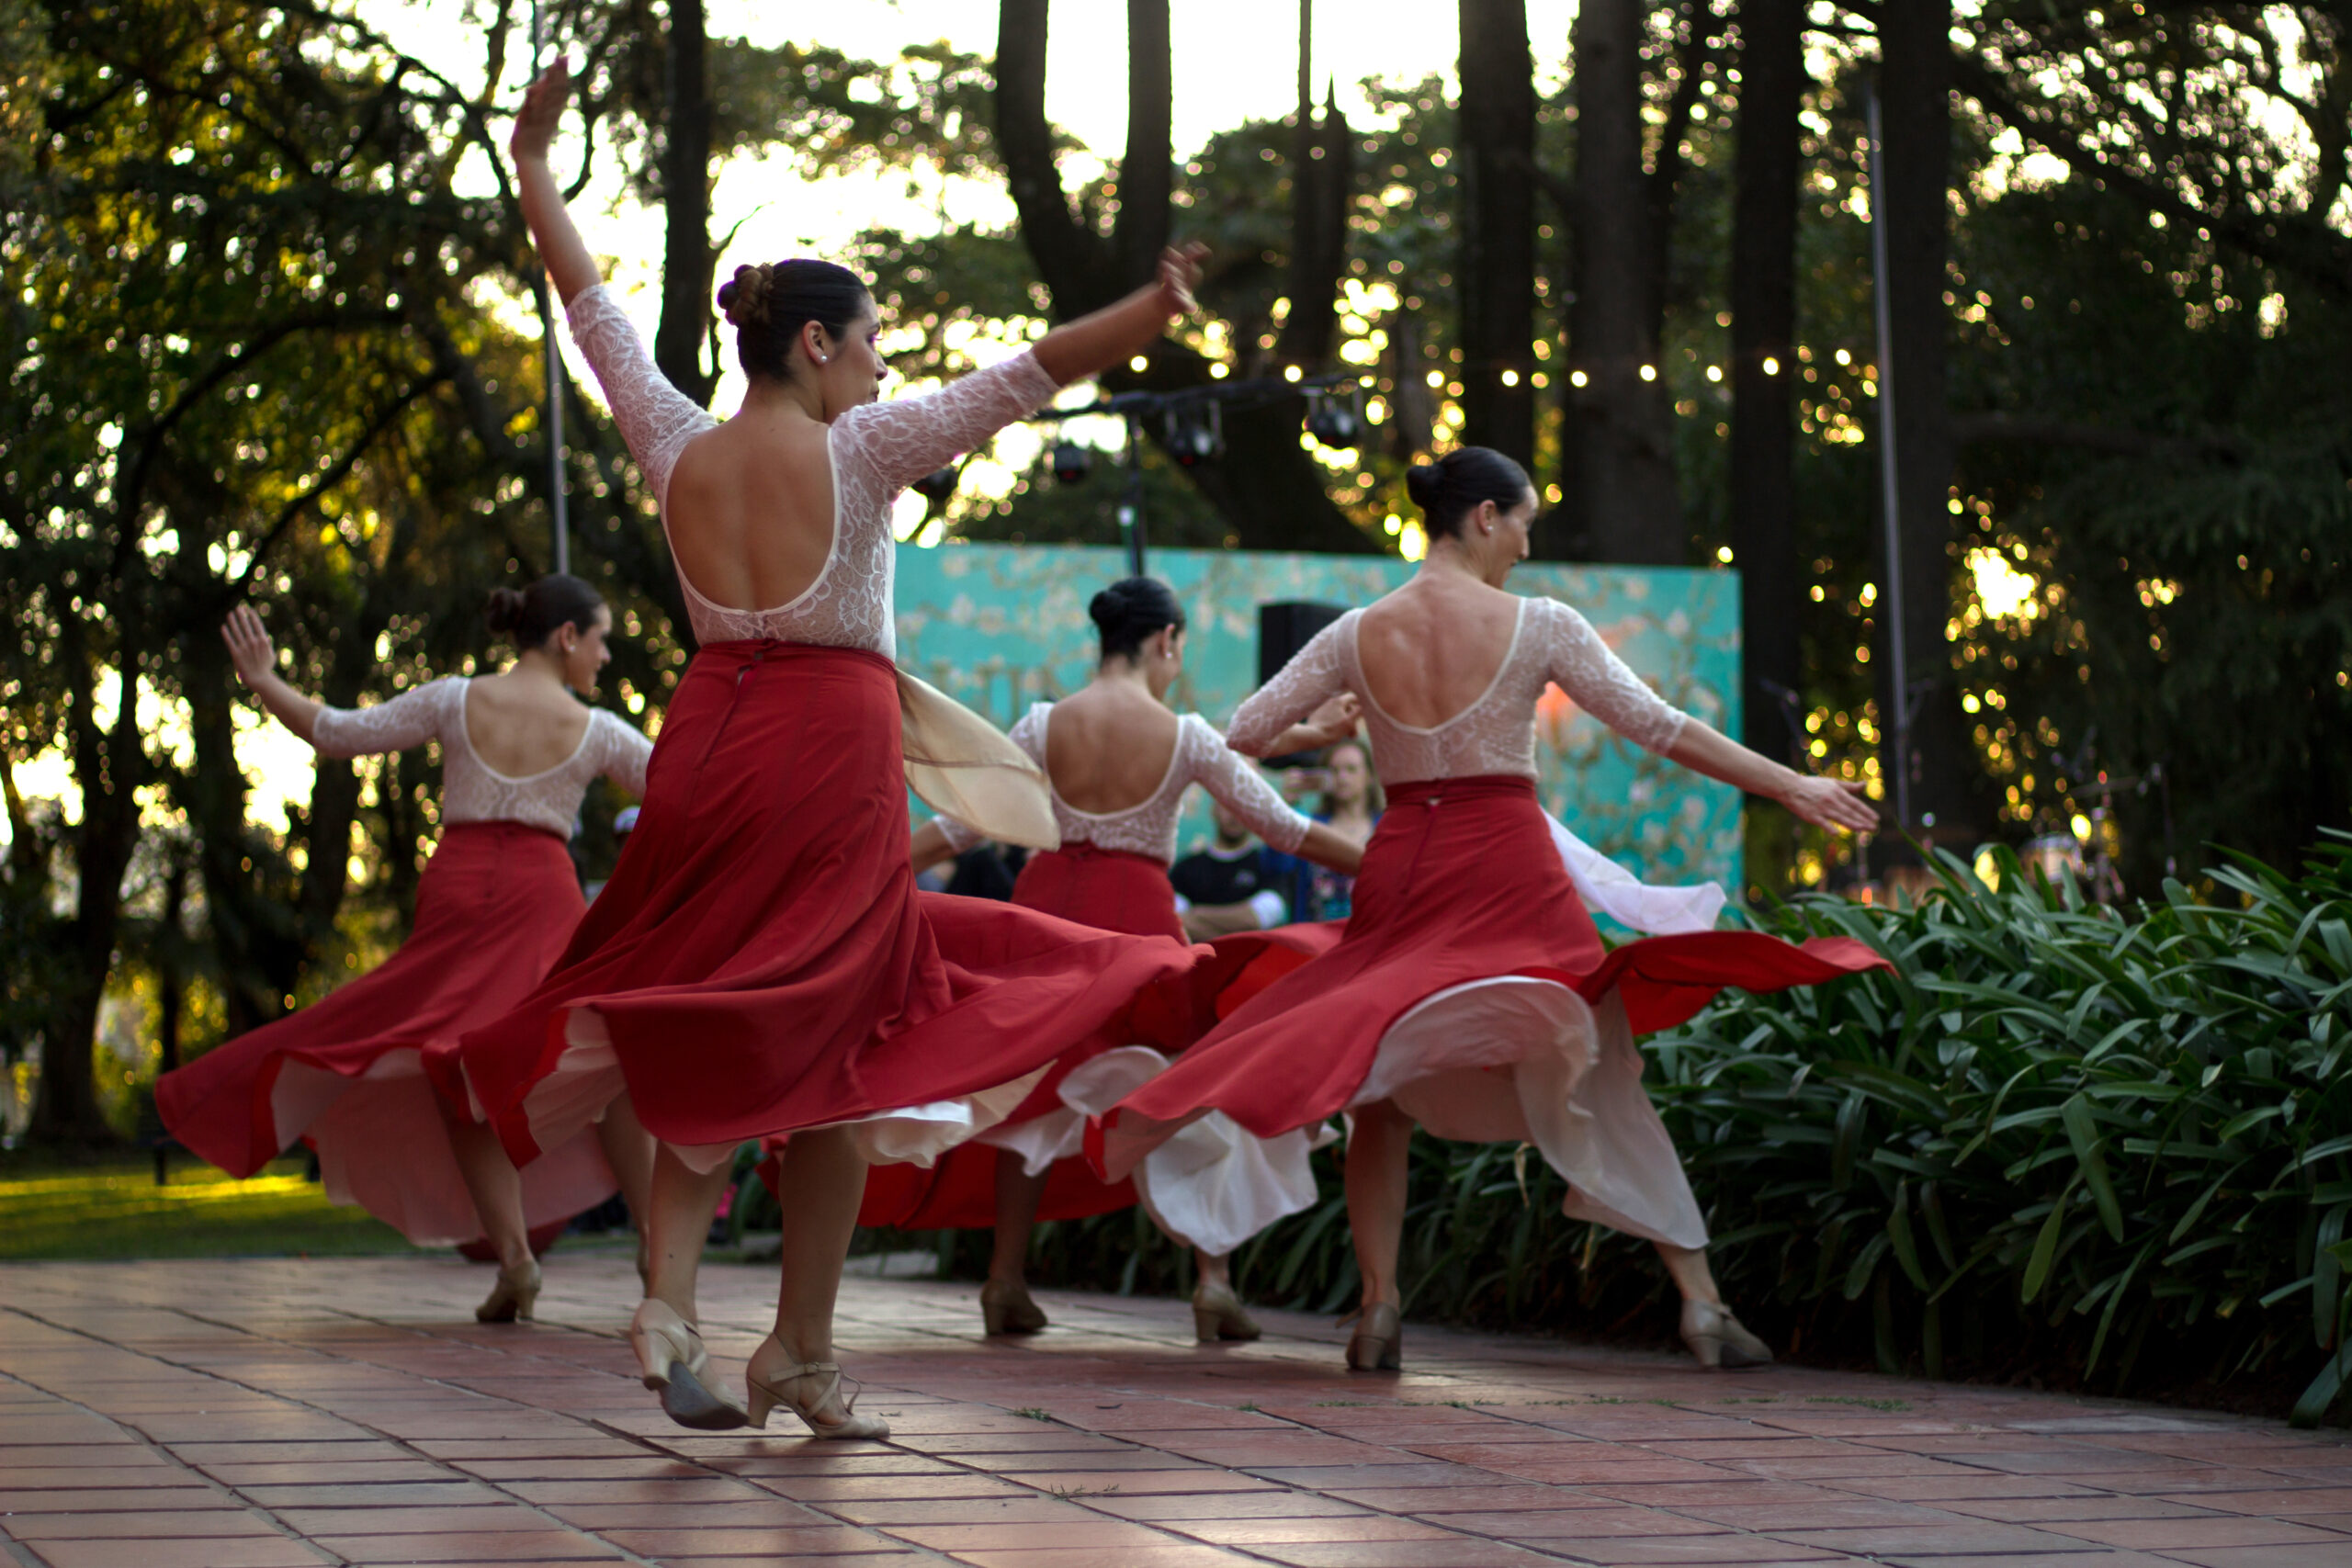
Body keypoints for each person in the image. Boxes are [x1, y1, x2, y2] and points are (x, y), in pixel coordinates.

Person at [464, 62, 1209, 1440]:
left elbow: (590, 311)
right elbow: (1033, 372)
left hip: (704, 756)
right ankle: (791, 1347)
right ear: (814, 346)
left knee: (714, 1018)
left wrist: (531, 170)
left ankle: (687, 1309)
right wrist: (1152, 311)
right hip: (823, 767)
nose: (883, 359)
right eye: (870, 337)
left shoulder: (673, 439)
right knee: (845, 1044)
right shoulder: (864, 452)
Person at [1092, 446, 1888, 1373]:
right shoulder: (1540, 624)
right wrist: (1790, 783)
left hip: (1404, 872)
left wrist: (1326, 730)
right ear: (1482, 517)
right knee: (1597, 1064)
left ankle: (1379, 1310)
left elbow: (1239, 737)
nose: (1523, 542)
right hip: (1508, 870)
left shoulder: (1354, 634)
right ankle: (1700, 1304)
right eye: (1522, 522)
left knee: (1378, 1093)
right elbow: (1659, 727)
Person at [156, 581, 657, 1324]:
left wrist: (265, 681)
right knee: (597, 1057)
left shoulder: (455, 699)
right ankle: (655, 1250)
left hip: (459, 890)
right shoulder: (599, 730)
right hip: (542, 901)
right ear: (565, 638)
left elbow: (334, 731)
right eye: (601, 638)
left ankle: (517, 1261)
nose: (606, 654)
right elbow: (684, 794)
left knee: (459, 1069)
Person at [888, 576, 1361, 1342]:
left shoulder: (1044, 724)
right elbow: (1284, 828)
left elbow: (960, 826)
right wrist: (1379, 862)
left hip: (1046, 917)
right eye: (1181, 651)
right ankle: (1212, 1281)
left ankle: (1005, 1279)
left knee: (1027, 1087)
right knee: (1190, 1081)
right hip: (1139, 926)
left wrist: (879, 872)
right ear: (1165, 640)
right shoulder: (1185, 735)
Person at [1170, 797, 1299, 940]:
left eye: (1243, 808)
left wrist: (1197, 914)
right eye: (1227, 805)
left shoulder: (1269, 865)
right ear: (1214, 810)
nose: (1234, 814)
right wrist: (1239, 929)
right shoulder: (1185, 868)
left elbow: (1259, 918)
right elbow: (1175, 923)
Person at [1303, 735, 1381, 920]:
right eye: (1334, 770)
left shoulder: (1387, 828)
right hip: (1318, 941)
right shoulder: (1311, 826)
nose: (1342, 777)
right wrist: (1290, 806)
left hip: (1374, 939)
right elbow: (1279, 867)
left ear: (1369, 776)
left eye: (1351, 769)